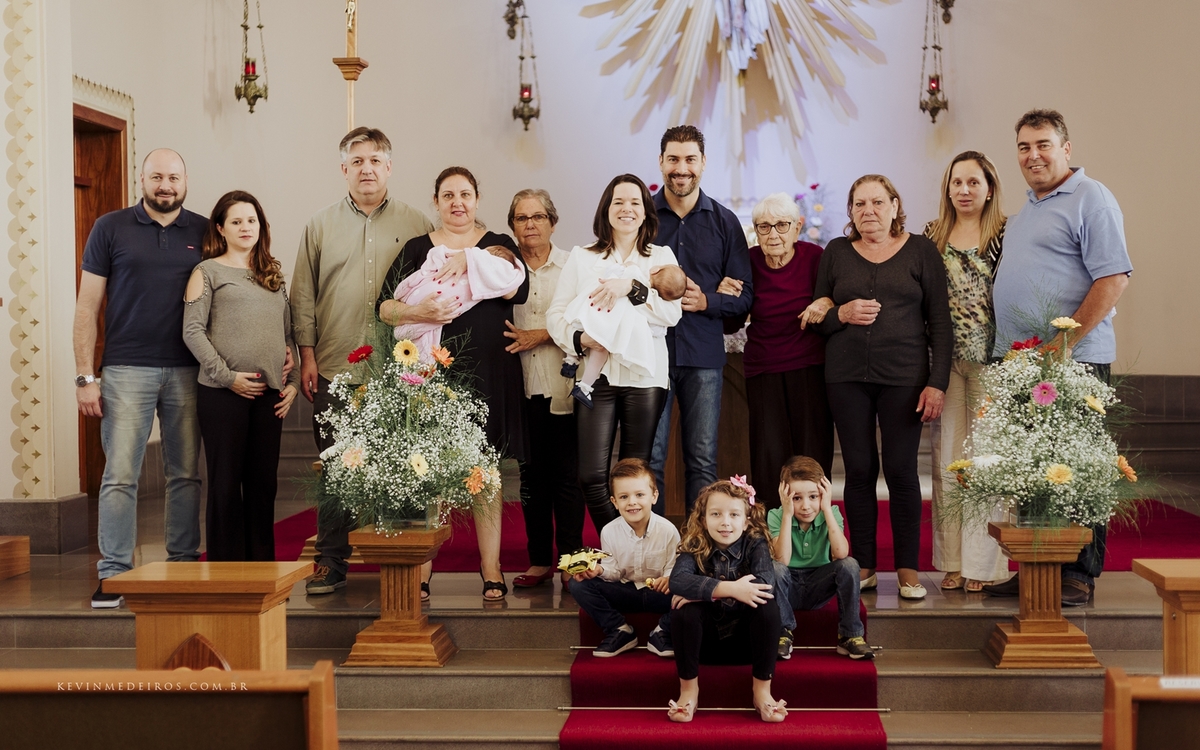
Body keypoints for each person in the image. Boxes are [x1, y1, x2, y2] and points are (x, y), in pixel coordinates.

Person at [984, 109, 1132, 607]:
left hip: (1074, 361)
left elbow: (1113, 279)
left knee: (1080, 465)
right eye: (1024, 147)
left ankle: (1080, 574)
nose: (1033, 155)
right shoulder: (1028, 209)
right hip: (1026, 363)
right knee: (1032, 467)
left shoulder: (1092, 198)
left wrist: (1061, 347)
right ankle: (1037, 568)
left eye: (1043, 145)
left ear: (1066, 148)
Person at [291, 127, 434, 595]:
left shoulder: (418, 224)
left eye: (376, 160)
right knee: (336, 467)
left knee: (402, 465)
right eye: (357, 161)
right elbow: (304, 295)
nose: (367, 168)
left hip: (400, 369)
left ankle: (404, 567)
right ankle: (331, 562)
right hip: (335, 364)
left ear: (389, 167)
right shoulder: (319, 224)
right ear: (344, 169)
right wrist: (307, 356)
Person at [378, 166, 529, 601]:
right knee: (433, 473)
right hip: (432, 375)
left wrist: (473, 260)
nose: (457, 202)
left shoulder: (497, 246)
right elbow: (384, 306)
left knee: (486, 474)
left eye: (465, 193)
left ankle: (492, 569)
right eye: (448, 195)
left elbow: (515, 290)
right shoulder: (418, 248)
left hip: (490, 374)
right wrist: (417, 314)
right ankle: (424, 568)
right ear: (436, 202)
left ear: (477, 199)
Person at [810, 175, 952, 601]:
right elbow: (819, 316)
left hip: (904, 379)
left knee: (902, 470)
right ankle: (866, 563)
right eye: (858, 204)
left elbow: (940, 324)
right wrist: (843, 313)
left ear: (894, 204)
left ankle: (908, 568)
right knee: (857, 470)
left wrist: (937, 382)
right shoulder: (836, 252)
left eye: (876, 202)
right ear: (850, 211)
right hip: (846, 377)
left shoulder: (922, 251)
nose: (867, 210)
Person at [75, 149, 205, 608]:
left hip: (190, 370)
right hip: (126, 369)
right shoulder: (110, 227)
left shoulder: (205, 230)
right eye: (156, 177)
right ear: (141, 180)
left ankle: (184, 565)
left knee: (186, 474)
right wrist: (84, 377)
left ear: (186, 181)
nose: (165, 184)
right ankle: (113, 574)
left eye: (173, 176)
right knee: (120, 476)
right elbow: (87, 307)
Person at [546, 175, 683, 535]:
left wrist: (634, 288)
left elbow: (671, 315)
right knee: (591, 475)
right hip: (597, 379)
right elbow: (556, 315)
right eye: (618, 202)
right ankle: (625, 544)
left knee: (634, 477)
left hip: (645, 377)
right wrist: (581, 338)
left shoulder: (661, 258)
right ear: (607, 210)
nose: (627, 209)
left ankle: (631, 558)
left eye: (635, 202)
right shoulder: (583, 257)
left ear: (645, 212)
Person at [182, 191, 300, 561]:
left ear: (261, 226)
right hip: (223, 394)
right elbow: (192, 331)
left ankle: (262, 569)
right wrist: (227, 377)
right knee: (225, 484)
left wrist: (293, 384)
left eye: (252, 220)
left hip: (269, 397)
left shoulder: (273, 276)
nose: (245, 227)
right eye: (236, 221)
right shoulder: (206, 272)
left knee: (264, 486)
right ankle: (225, 570)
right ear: (220, 227)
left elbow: (288, 337)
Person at [649, 125, 753, 516]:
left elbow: (744, 297)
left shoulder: (725, 223)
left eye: (690, 159)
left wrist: (706, 300)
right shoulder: (642, 218)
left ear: (703, 163)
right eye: (673, 159)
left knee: (703, 459)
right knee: (651, 458)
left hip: (704, 354)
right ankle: (652, 553)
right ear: (661, 162)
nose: (681, 168)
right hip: (650, 354)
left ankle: (699, 552)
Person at [923, 152, 1010, 593]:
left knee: (988, 463)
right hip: (946, 363)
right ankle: (953, 562)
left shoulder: (1006, 234)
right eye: (956, 182)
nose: (964, 190)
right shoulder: (932, 236)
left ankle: (986, 565)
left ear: (989, 187)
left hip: (994, 362)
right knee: (948, 463)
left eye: (973, 182)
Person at [502, 190, 585, 590]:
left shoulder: (574, 266)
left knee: (568, 478)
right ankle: (539, 561)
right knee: (531, 478)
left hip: (564, 387)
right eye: (521, 218)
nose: (530, 224)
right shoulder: (502, 271)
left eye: (538, 217)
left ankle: (573, 561)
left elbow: (587, 325)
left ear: (553, 222)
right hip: (520, 389)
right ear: (512, 226)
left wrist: (543, 335)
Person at [667, 478, 786, 724]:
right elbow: (677, 581)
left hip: (747, 645)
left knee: (766, 605)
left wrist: (702, 590)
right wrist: (731, 588)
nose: (725, 522)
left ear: (746, 521)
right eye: (716, 514)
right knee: (683, 611)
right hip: (704, 646)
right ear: (703, 519)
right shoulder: (694, 544)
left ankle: (762, 693)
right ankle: (689, 692)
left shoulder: (756, 543)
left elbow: (765, 582)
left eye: (734, 515)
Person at [736, 193, 835, 487]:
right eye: (764, 226)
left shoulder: (815, 257)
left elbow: (834, 298)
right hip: (763, 369)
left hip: (809, 367)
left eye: (782, 225)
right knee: (768, 456)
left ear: (798, 226)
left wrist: (827, 301)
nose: (773, 234)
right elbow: (732, 320)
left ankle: (817, 526)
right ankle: (772, 528)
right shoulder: (748, 261)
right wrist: (727, 293)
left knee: (812, 452)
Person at [570, 459, 680, 657]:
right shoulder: (609, 531)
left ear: (654, 496)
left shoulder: (668, 531)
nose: (632, 502)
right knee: (578, 585)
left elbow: (673, 568)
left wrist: (668, 578)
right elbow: (615, 572)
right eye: (624, 496)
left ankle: (662, 631)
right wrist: (599, 571)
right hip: (626, 591)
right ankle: (620, 630)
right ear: (614, 502)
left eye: (640, 495)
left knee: (692, 590)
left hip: (659, 594)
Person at [769, 456, 872, 661]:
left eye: (813, 497)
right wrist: (787, 515)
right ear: (785, 496)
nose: (806, 506)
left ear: (823, 495)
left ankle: (849, 635)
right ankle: (783, 633)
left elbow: (841, 554)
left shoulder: (831, 512)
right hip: (787, 586)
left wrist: (826, 508)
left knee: (849, 564)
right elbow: (782, 560)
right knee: (774, 567)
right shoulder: (776, 515)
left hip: (818, 585)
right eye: (797, 498)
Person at [561, 263, 686, 407]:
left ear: (655, 270)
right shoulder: (645, 295)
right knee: (600, 351)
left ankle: (570, 360)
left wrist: (624, 268)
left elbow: (611, 270)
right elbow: (653, 327)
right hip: (606, 322)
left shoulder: (635, 272)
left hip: (593, 308)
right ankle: (584, 387)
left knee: (579, 329)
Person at [389, 243, 525, 361]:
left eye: (493, 254)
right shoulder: (420, 246)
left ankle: (406, 332)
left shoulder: (496, 253)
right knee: (427, 318)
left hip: (481, 360)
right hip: (421, 298)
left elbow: (515, 287)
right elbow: (384, 306)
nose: (487, 253)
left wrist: (473, 258)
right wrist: (416, 311)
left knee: (433, 321)